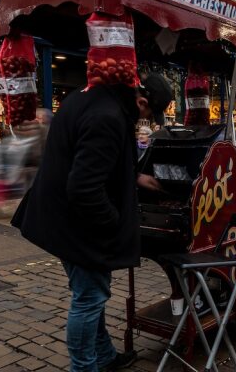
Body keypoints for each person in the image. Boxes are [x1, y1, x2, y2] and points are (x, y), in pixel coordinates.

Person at [11, 75, 170, 371]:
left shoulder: (89, 96)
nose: (146, 120)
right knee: (90, 297)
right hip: (76, 224)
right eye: (149, 114)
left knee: (90, 292)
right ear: (142, 102)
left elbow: (86, 157)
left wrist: (134, 177)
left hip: (59, 216)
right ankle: (84, 367)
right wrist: (115, 223)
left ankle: (105, 355)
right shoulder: (108, 117)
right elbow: (85, 188)